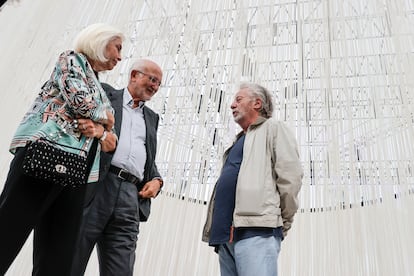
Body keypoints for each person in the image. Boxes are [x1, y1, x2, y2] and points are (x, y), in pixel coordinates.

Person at [0, 23, 124, 276]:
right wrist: (107, 116)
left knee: (60, 253)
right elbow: (82, 103)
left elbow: (108, 135)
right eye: (117, 48)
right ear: (100, 41)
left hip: (76, 172)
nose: (120, 57)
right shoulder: (71, 59)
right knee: (8, 231)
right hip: (44, 157)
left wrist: (101, 128)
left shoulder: (96, 81)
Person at [72, 59, 164, 276]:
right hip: (97, 185)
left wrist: (157, 180)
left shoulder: (152, 118)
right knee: (71, 258)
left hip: (130, 197)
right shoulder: (105, 95)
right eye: (152, 79)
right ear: (134, 75)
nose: (155, 87)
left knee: (121, 269)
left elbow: (147, 158)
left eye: (159, 83)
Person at [202, 82, 303, 276]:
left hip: (257, 231)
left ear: (257, 103)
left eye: (238, 100)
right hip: (226, 236)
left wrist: (283, 221)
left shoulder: (273, 128)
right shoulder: (239, 141)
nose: (232, 105)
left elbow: (291, 177)